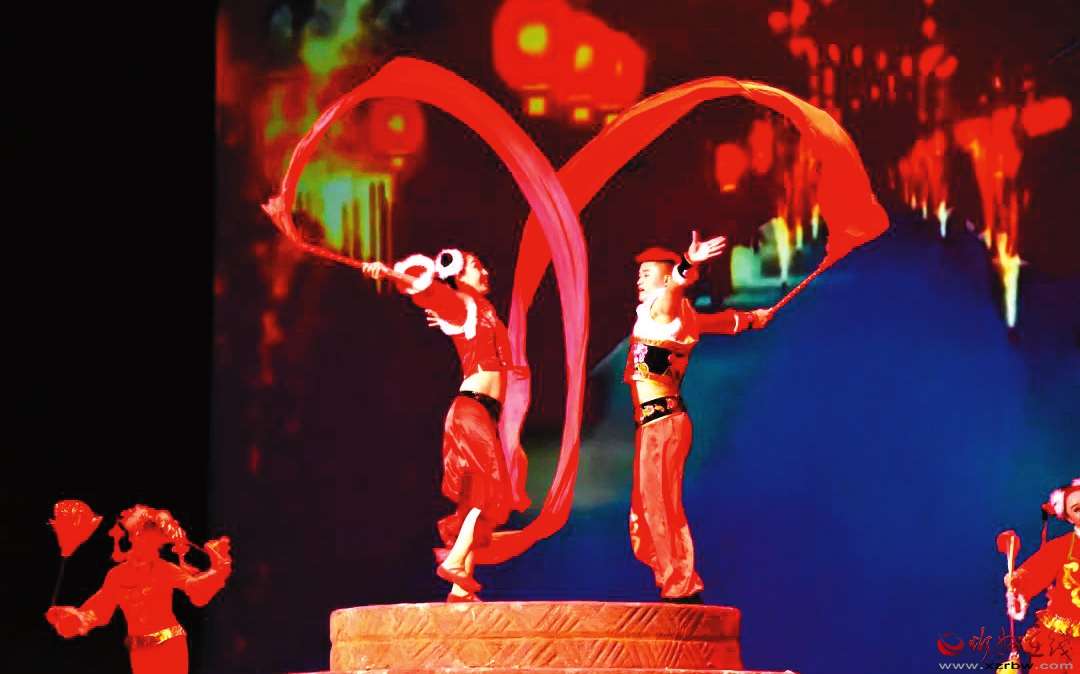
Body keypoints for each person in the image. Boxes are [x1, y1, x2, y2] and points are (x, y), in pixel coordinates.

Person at [361, 248, 521, 603]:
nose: (486, 271)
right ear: (459, 274)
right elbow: (431, 292)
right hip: (471, 411)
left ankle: (460, 589)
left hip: (481, 414)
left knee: (476, 502)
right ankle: (454, 563)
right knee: (489, 493)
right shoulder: (463, 303)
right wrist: (388, 273)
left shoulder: (482, 310)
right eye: (478, 265)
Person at [625, 232, 772, 603]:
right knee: (646, 508)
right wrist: (750, 318)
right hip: (655, 424)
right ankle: (670, 576)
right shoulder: (676, 316)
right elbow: (716, 322)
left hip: (662, 424)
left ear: (664, 278)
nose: (639, 279)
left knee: (661, 504)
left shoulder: (664, 310)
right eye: (639, 273)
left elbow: (675, 289)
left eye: (647, 273)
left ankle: (681, 584)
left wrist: (687, 265)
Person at [46, 506, 232, 674]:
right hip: (140, 651)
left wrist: (218, 569)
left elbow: (195, 589)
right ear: (133, 536)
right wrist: (72, 618)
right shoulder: (116, 575)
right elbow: (101, 610)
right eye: (143, 536)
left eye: (153, 539)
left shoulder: (163, 569)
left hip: (169, 646)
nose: (147, 542)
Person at [1005, 478, 1080, 668]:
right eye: (1078, 509)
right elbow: (1036, 571)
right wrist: (1018, 578)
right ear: (1069, 518)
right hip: (1064, 637)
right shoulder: (1061, 547)